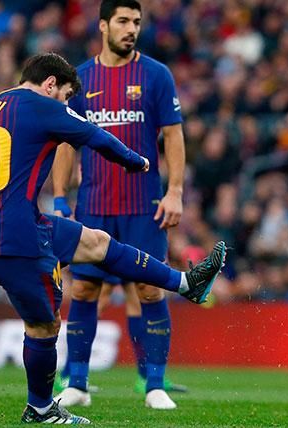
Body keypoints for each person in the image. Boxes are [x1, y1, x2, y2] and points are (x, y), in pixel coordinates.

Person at [0, 52, 226, 424]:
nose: (66, 104)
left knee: (96, 242)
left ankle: (186, 283)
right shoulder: (41, 105)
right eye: (66, 96)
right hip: (17, 240)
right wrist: (136, 161)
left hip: (2, 229)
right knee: (44, 325)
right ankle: (41, 408)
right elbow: (95, 135)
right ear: (50, 84)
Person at [51, 0, 187, 410]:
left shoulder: (156, 75)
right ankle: (77, 383)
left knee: (149, 289)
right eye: (123, 21)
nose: (131, 29)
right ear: (103, 25)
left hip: (143, 205)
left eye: (137, 22)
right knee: (84, 288)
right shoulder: (81, 79)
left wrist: (175, 191)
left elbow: (173, 135)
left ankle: (155, 385)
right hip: (94, 203)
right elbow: (65, 143)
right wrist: (59, 197)